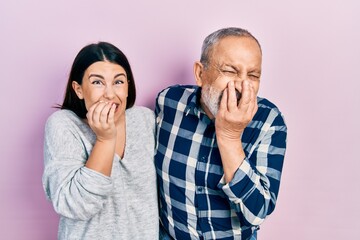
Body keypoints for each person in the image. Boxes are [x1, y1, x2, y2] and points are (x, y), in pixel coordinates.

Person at [155, 27, 287, 240]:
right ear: (200, 73)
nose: (241, 85)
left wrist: (230, 136)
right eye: (230, 71)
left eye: (252, 75)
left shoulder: (270, 121)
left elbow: (256, 214)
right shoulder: (168, 103)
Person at [42, 42, 159, 239]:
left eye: (119, 82)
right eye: (97, 82)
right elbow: (77, 206)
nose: (110, 94)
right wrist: (105, 139)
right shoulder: (63, 125)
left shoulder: (144, 120)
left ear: (128, 86)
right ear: (78, 89)